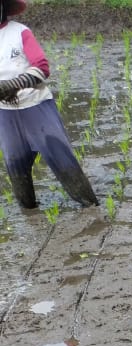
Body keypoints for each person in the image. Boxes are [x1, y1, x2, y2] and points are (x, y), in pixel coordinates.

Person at [0, 0, 97, 210]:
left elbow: (42, 67)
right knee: (16, 166)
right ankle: (30, 212)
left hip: (35, 106)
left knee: (62, 159)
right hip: (5, 113)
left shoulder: (20, 32)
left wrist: (15, 84)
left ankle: (91, 207)